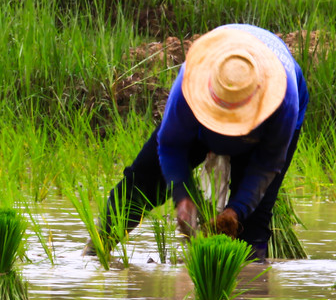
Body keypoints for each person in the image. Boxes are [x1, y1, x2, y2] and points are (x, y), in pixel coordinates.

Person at [88, 24, 307, 262]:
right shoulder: (190, 84)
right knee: (143, 181)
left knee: (252, 223)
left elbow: (266, 165)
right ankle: (94, 252)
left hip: (260, 131)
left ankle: (249, 289)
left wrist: (236, 212)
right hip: (201, 123)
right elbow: (171, 147)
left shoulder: (284, 101)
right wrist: (182, 196)